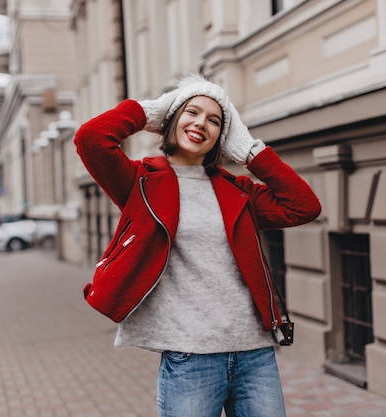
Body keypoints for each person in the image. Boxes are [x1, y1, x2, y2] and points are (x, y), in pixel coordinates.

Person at [74, 74, 321, 417]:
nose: (201, 123)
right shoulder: (140, 182)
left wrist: (250, 151)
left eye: (215, 120)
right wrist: (150, 112)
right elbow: (91, 139)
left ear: (223, 136)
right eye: (191, 112)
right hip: (190, 356)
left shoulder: (237, 190)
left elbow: (304, 206)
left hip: (255, 353)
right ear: (172, 119)